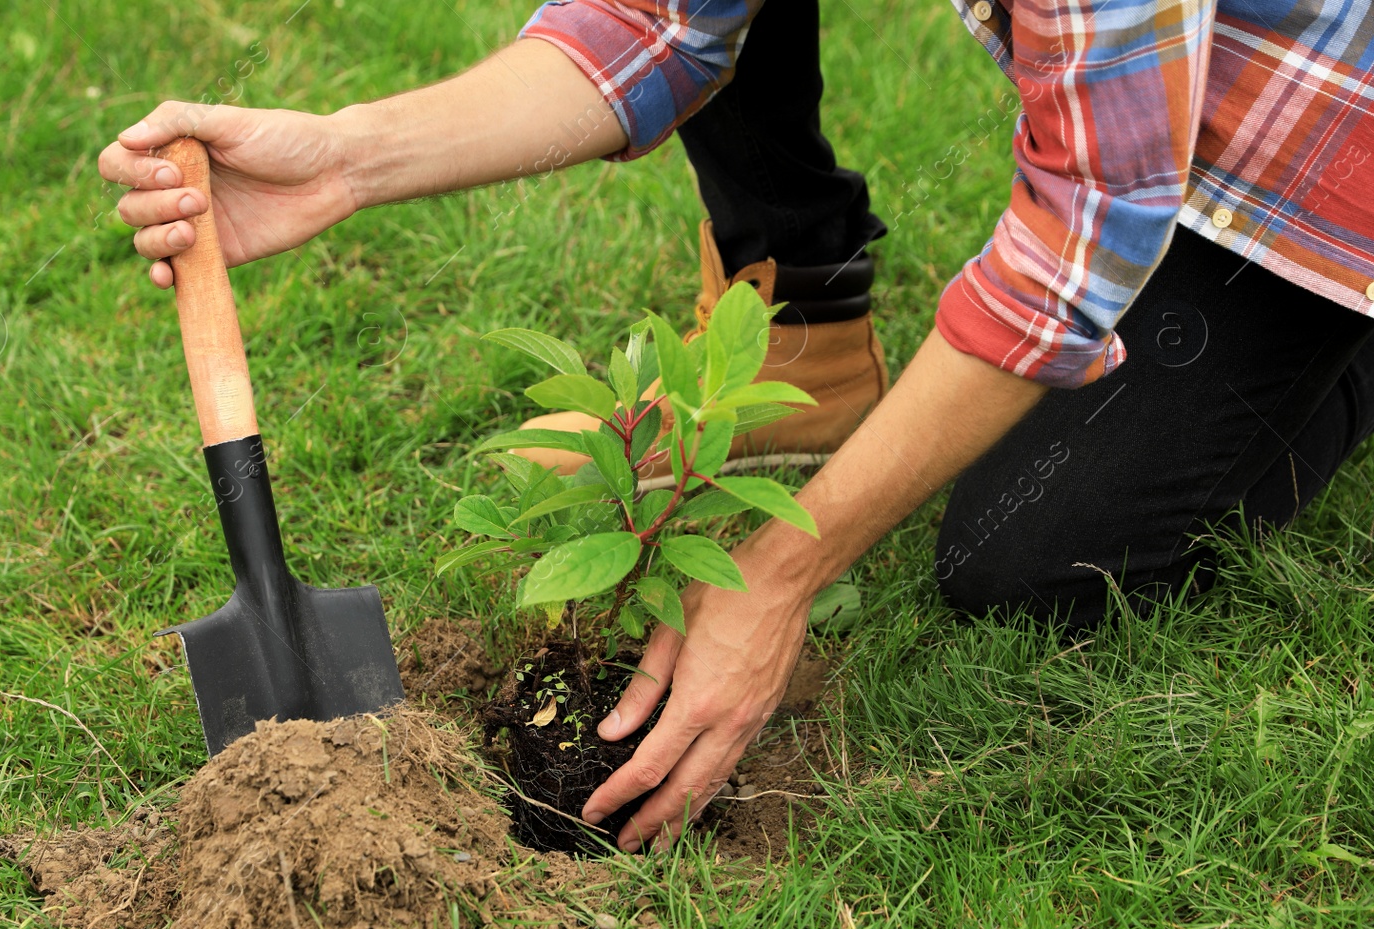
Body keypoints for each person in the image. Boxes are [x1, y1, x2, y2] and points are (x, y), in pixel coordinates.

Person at [100, 0, 1374, 854]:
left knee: (1031, 557)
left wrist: (777, 571)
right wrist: (342, 158)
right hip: (1168, 89)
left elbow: (1083, 230)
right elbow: (662, 18)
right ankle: (808, 332)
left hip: (1322, 138)